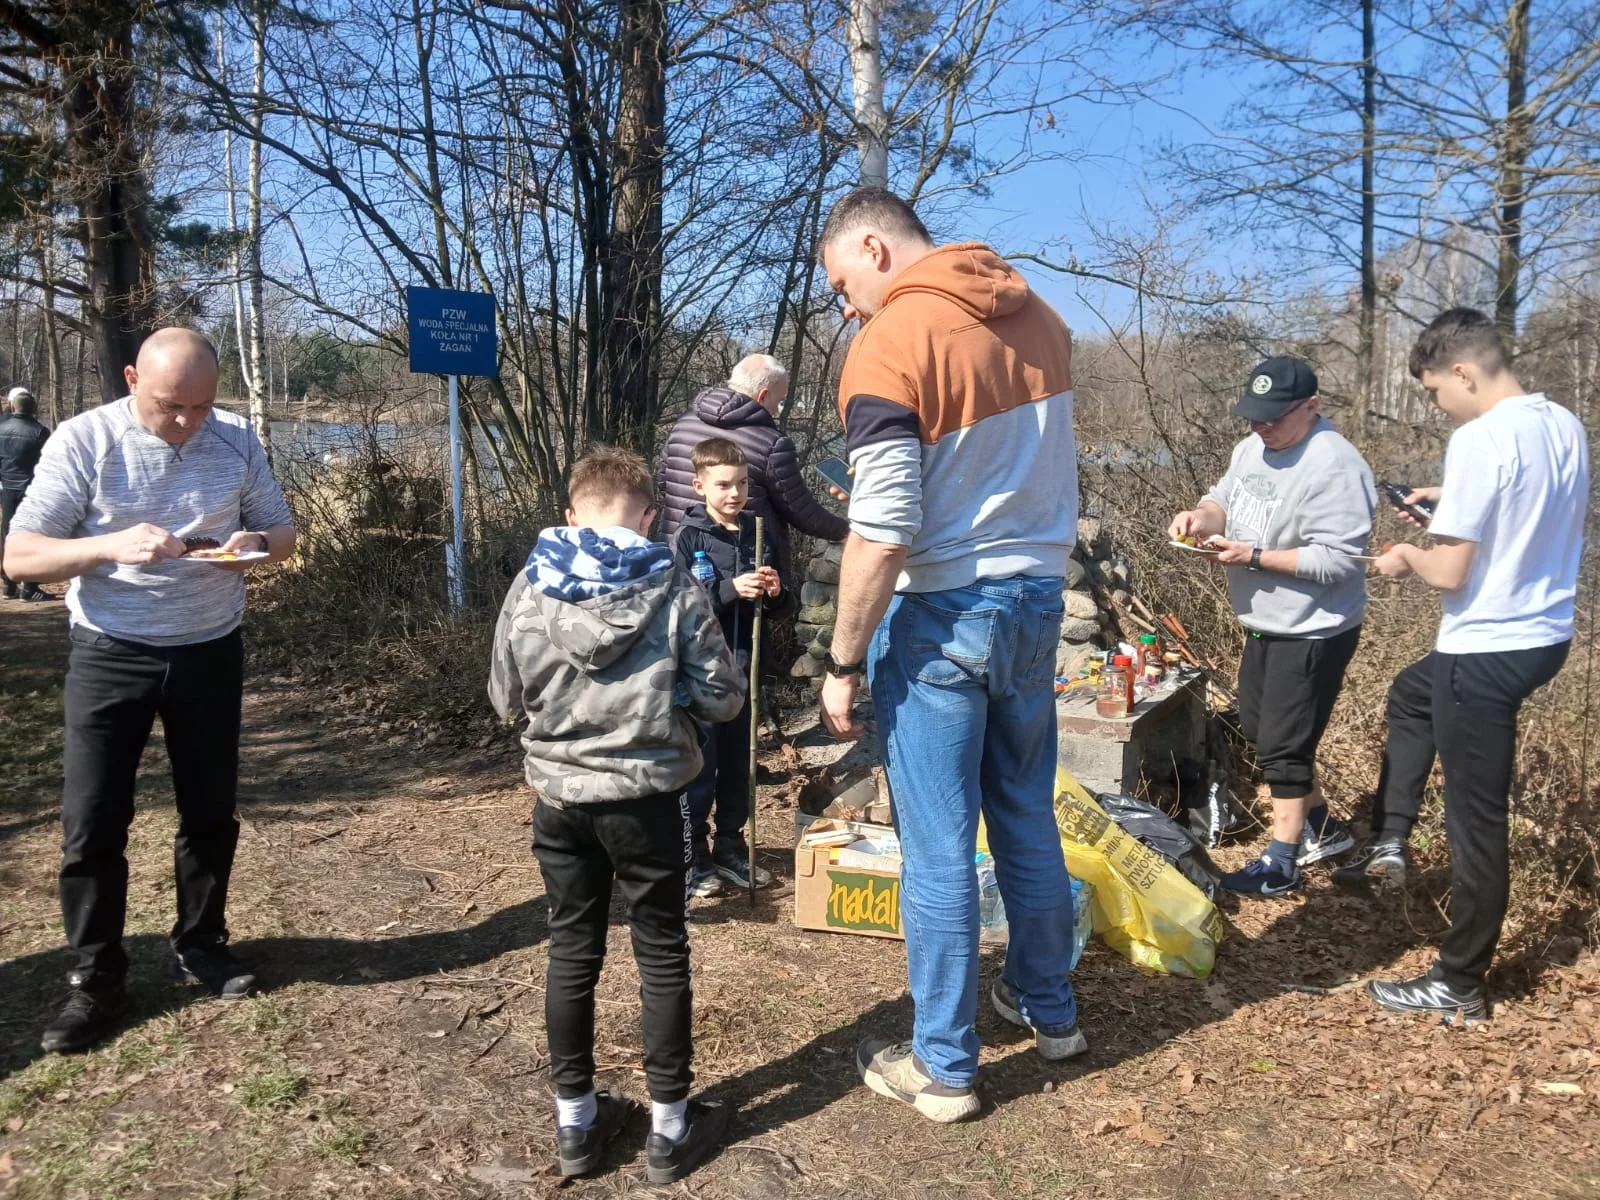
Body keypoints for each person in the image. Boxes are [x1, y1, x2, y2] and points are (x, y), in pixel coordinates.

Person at [815, 187, 1083, 1123]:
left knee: (935, 847)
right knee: (1024, 814)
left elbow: (883, 530)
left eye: (845, 283)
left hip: (946, 608)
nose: (849, 306)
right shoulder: (1040, 317)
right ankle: (1050, 1011)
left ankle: (946, 1068)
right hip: (1037, 598)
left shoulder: (892, 339)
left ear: (874, 248)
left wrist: (842, 660)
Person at [3, 328, 297, 1053]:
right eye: (172, 407)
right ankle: (96, 976)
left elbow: (283, 534)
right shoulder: (82, 439)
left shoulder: (234, 437)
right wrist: (108, 545)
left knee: (209, 809)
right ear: (133, 379)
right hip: (112, 650)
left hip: (208, 649)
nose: (189, 423)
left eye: (202, 406)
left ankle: (202, 944)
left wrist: (249, 551)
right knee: (93, 818)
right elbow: (19, 557)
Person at [487, 445, 745, 1181]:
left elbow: (505, 697)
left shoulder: (531, 585)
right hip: (647, 800)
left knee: (572, 949)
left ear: (571, 516)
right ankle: (669, 1129)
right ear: (651, 516)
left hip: (562, 800)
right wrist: (672, 704)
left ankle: (576, 1126)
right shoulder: (671, 583)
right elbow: (723, 696)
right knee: (660, 949)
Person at [1358, 309, 1587, 1021]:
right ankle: (1390, 835)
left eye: (1433, 391)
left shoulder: (1479, 438)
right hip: (1544, 634)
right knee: (1410, 692)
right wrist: (1446, 503)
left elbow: (1452, 572)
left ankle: (1458, 981)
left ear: (1462, 371)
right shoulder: (1562, 424)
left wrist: (1404, 558)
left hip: (1484, 648)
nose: (1436, 404)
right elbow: (1524, 514)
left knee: (1474, 820)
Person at [1169, 356, 1375, 897]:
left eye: (1273, 418)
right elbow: (1220, 499)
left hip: (1313, 627)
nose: (1261, 427)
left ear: (1310, 407)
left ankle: (1282, 862)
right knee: (1261, 728)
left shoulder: (1336, 465)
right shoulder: (1251, 448)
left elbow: (1340, 561)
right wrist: (1199, 518)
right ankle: (1323, 828)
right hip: (1263, 620)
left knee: (1283, 747)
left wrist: (1254, 556)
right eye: (1253, 417)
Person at [671, 437, 796, 897]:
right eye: (723, 484)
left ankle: (730, 845)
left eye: (742, 483)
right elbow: (677, 607)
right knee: (701, 765)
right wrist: (728, 589)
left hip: (747, 668)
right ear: (699, 484)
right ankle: (696, 856)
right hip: (701, 676)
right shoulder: (688, 538)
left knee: (740, 765)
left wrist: (776, 592)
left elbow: (785, 608)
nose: (734, 493)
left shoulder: (760, 532)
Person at [657, 353, 847, 573]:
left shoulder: (684, 423)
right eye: (779, 401)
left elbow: (664, 482)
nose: (777, 410)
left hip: (678, 557)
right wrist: (849, 531)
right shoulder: (771, 443)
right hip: (737, 565)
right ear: (763, 395)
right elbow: (802, 513)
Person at [0, 385, 52, 600]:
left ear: (13, 407)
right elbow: (49, 463)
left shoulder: (1, 429)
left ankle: (8, 584)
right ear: (33, 409)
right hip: (32, 489)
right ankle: (29, 587)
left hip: (8, 489)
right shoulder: (40, 431)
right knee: (32, 535)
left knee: (7, 534)